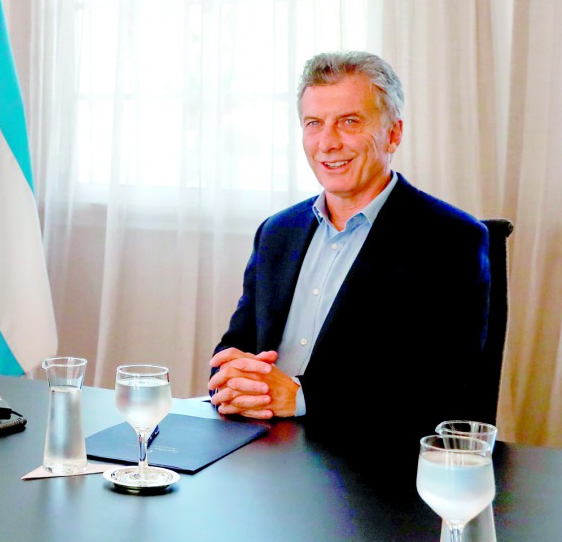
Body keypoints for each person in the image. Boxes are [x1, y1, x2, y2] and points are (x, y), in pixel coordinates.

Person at [208, 52, 490, 443]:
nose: (327, 143)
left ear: (393, 133)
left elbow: (443, 389)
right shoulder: (278, 232)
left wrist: (302, 397)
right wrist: (233, 379)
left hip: (369, 465)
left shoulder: (451, 239)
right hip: (259, 446)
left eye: (349, 122)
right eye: (313, 124)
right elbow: (236, 346)